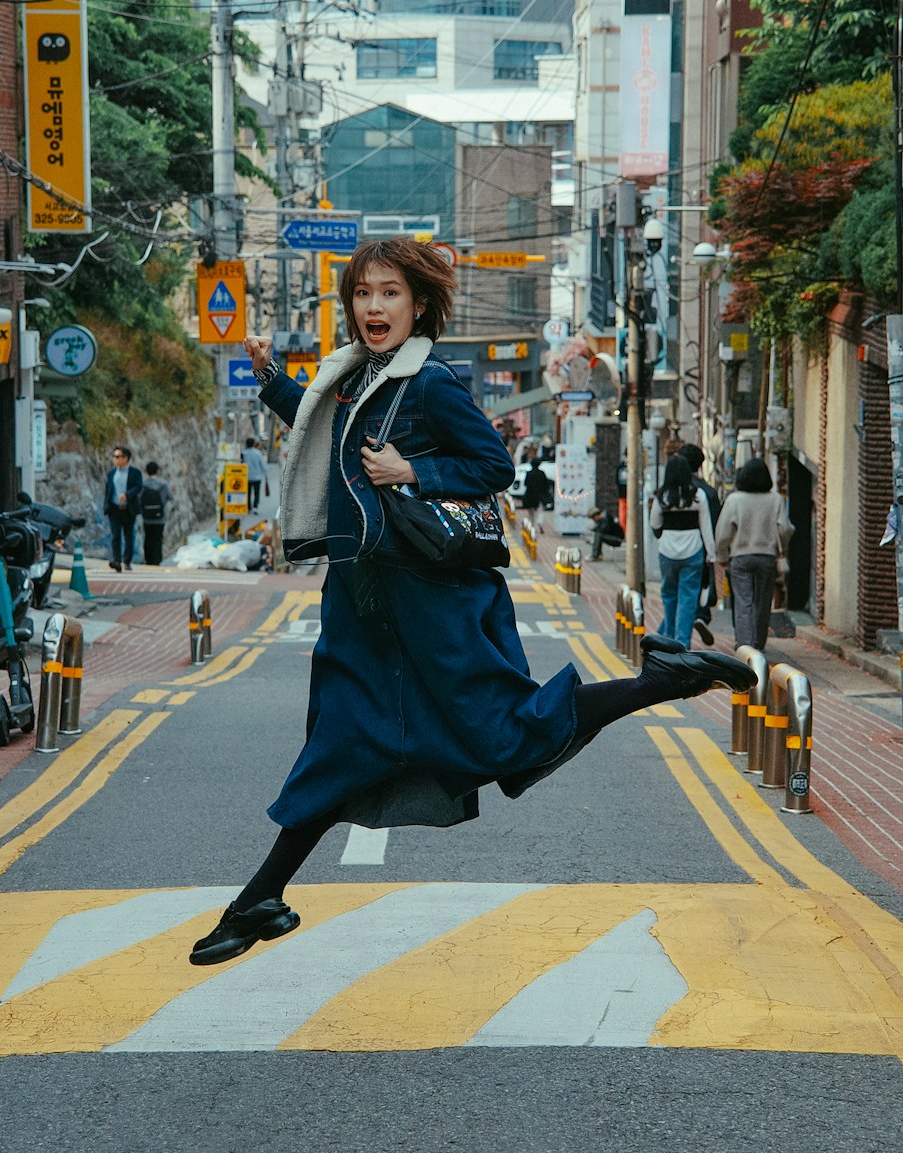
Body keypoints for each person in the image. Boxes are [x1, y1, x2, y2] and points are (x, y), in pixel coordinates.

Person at [189, 237, 756, 967]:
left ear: (419, 303)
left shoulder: (429, 382)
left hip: (431, 605)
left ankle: (665, 678)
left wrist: (412, 470)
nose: (373, 307)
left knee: (501, 735)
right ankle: (257, 899)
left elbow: (492, 464)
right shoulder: (366, 377)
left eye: (389, 293)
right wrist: (272, 380)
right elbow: (330, 438)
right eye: (363, 294)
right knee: (341, 744)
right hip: (366, 603)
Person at [715, 457, 794, 651]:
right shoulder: (774, 499)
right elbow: (785, 528)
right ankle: (758, 643)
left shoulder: (734, 499)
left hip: (740, 557)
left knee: (744, 602)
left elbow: (723, 533)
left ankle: (745, 645)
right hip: (766, 557)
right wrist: (781, 547)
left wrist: (722, 557)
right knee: (763, 602)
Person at [650, 454, 716, 650]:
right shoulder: (698, 496)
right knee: (688, 599)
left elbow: (655, 524)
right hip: (693, 552)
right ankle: (682, 644)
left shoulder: (661, 497)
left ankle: (667, 640)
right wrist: (711, 555)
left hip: (668, 552)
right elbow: (706, 528)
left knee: (669, 596)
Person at [678, 443, 721, 645]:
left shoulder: (673, 490)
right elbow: (716, 524)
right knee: (701, 586)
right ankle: (701, 616)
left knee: (678, 594)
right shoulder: (708, 492)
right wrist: (713, 552)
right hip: (702, 547)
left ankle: (679, 636)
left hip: (673, 549)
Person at [103, 444, 143, 572]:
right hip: (114, 509)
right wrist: (106, 506)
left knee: (128, 535)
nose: (116, 459)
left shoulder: (134, 473)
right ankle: (116, 561)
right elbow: (108, 490)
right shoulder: (111, 473)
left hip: (128, 509)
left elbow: (138, 487)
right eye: (115, 457)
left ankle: (127, 561)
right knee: (115, 536)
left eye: (119, 457)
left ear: (126, 458)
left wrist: (127, 495)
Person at [140, 461, 172, 566]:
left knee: (148, 537)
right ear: (157, 470)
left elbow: (139, 498)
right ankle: (157, 560)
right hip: (160, 517)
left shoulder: (143, 484)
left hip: (147, 516)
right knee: (158, 538)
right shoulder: (163, 484)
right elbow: (170, 497)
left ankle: (148, 559)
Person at [521, 456, 551, 532]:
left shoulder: (529, 473)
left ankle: (531, 526)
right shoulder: (542, 473)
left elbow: (525, 483)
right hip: (540, 495)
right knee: (540, 510)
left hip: (530, 494)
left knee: (530, 512)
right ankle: (539, 522)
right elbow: (546, 485)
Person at [242, 438, 269, 513]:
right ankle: (255, 507)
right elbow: (262, 465)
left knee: (248, 493)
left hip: (247, 476)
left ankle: (248, 508)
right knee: (257, 493)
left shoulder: (244, 453)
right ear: (253, 444)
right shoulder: (258, 453)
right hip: (257, 476)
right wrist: (265, 472)